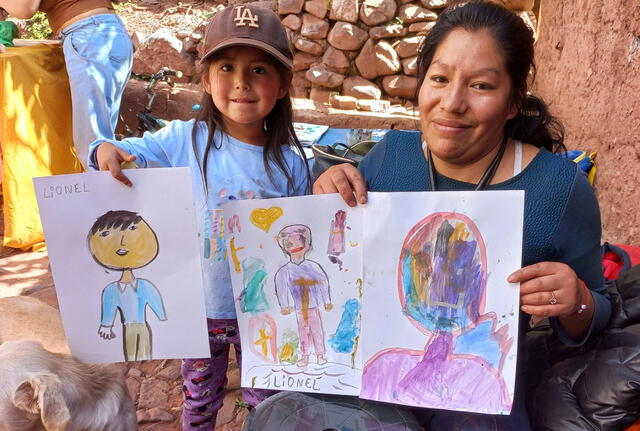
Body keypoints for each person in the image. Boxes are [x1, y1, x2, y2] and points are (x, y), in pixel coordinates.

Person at [313, 1, 611, 429]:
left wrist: (575, 300)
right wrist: (331, 198)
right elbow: (347, 277)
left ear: (513, 102)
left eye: (481, 86)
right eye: (439, 78)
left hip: (480, 405)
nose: (452, 102)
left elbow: (597, 317)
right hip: (374, 392)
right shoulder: (387, 159)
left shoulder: (560, 191)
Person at [88, 4, 311, 429]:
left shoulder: (291, 164)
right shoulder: (182, 141)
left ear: (283, 85)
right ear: (206, 79)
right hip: (199, 310)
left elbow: (301, 234)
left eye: (260, 70)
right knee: (198, 398)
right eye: (227, 66)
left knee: (265, 397)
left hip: (260, 311)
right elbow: (116, 153)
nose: (242, 82)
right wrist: (102, 149)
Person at [0, 0, 133, 168]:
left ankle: (105, 193)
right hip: (106, 32)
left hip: (89, 35)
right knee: (104, 146)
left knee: (95, 147)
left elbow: (25, 8)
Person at [88, 210, 167, 361]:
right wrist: (106, 325)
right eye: (105, 234)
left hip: (143, 326)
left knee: (145, 349)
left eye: (132, 229)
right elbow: (108, 308)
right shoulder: (111, 290)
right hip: (128, 327)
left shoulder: (144, 285)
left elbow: (155, 301)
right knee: (130, 352)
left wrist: (163, 317)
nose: (122, 241)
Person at [275, 224, 333, 367]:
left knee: (317, 331)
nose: (295, 247)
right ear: (285, 247)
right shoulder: (285, 271)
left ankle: (320, 355)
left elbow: (323, 283)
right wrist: (285, 306)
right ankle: (305, 357)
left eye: (299, 243)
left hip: (314, 307)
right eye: (290, 244)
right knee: (303, 332)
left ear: (306, 245)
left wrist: (327, 300)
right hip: (300, 309)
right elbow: (281, 288)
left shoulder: (313, 266)